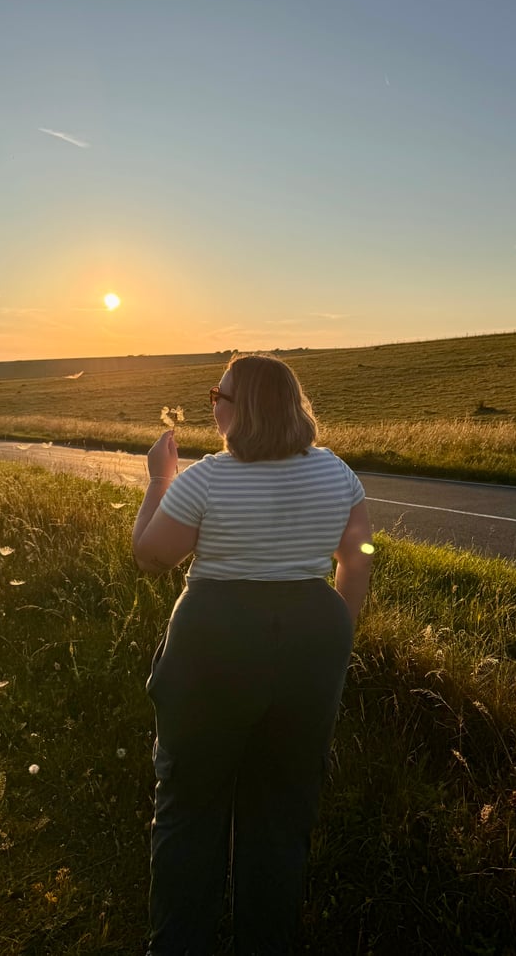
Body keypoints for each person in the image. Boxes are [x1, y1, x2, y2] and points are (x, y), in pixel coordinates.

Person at [132, 353, 373, 955]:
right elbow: (358, 556)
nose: (213, 402)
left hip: (214, 639)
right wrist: (335, 632)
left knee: (190, 806)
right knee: (282, 815)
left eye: (221, 393)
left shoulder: (206, 478)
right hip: (310, 640)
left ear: (247, 410)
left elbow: (151, 556)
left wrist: (160, 477)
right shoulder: (338, 475)